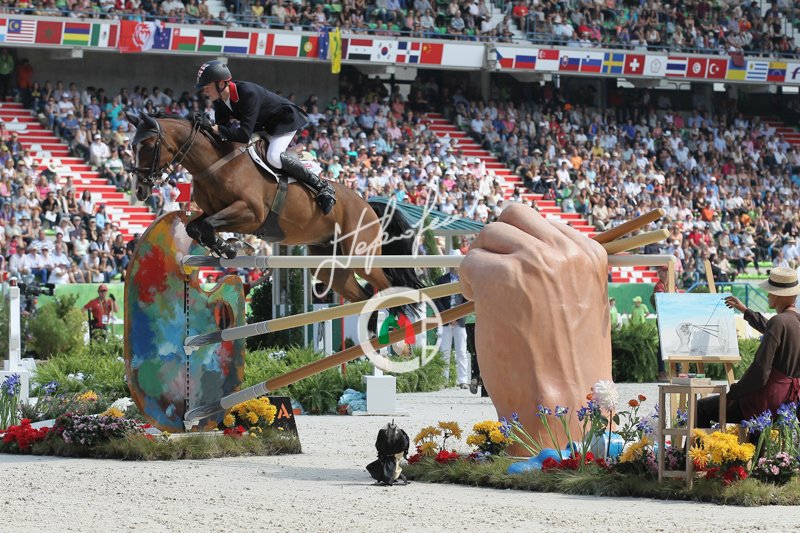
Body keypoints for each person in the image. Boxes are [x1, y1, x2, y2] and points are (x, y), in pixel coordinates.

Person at [193, 60, 336, 214]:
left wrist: (213, 127)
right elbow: (222, 132)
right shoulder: (220, 101)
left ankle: (323, 187)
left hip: (283, 122)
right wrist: (204, 128)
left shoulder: (247, 93)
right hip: (263, 126)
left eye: (207, 87)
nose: (204, 91)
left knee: (274, 157)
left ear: (221, 84)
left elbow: (242, 135)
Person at [697, 268, 800, 428]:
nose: (767, 295)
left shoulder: (779, 321)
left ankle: (696, 446)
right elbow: (771, 328)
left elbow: (761, 371)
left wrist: (735, 392)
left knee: (701, 408)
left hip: (768, 401)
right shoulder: (793, 321)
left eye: (770, 292)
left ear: (779, 295)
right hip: (790, 401)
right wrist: (745, 310)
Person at [434, 251, 471, 389]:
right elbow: (436, 300)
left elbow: (467, 300)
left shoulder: (465, 280)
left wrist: (458, 316)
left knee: (461, 351)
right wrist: (447, 316)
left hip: (460, 321)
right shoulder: (441, 280)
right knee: (444, 351)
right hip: (445, 321)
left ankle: (463, 380)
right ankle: (444, 380)